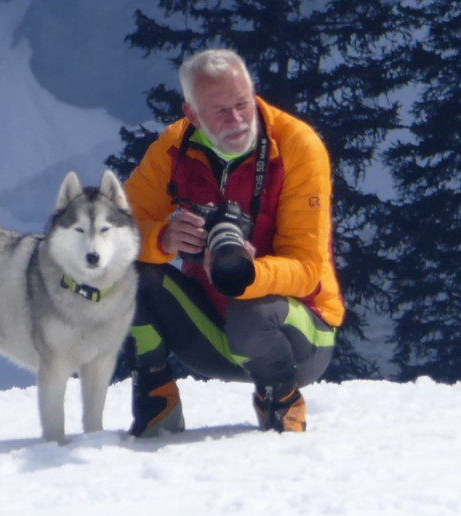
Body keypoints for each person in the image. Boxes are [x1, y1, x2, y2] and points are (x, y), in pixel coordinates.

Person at [123, 49, 345, 437]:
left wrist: (249, 272)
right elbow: (114, 228)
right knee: (129, 276)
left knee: (251, 308)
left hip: (299, 341)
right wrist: (163, 237)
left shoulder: (296, 146)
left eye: (243, 104)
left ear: (254, 92)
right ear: (192, 114)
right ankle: (156, 400)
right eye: (220, 111)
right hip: (211, 333)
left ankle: (280, 400)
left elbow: (309, 270)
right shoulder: (175, 147)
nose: (238, 119)